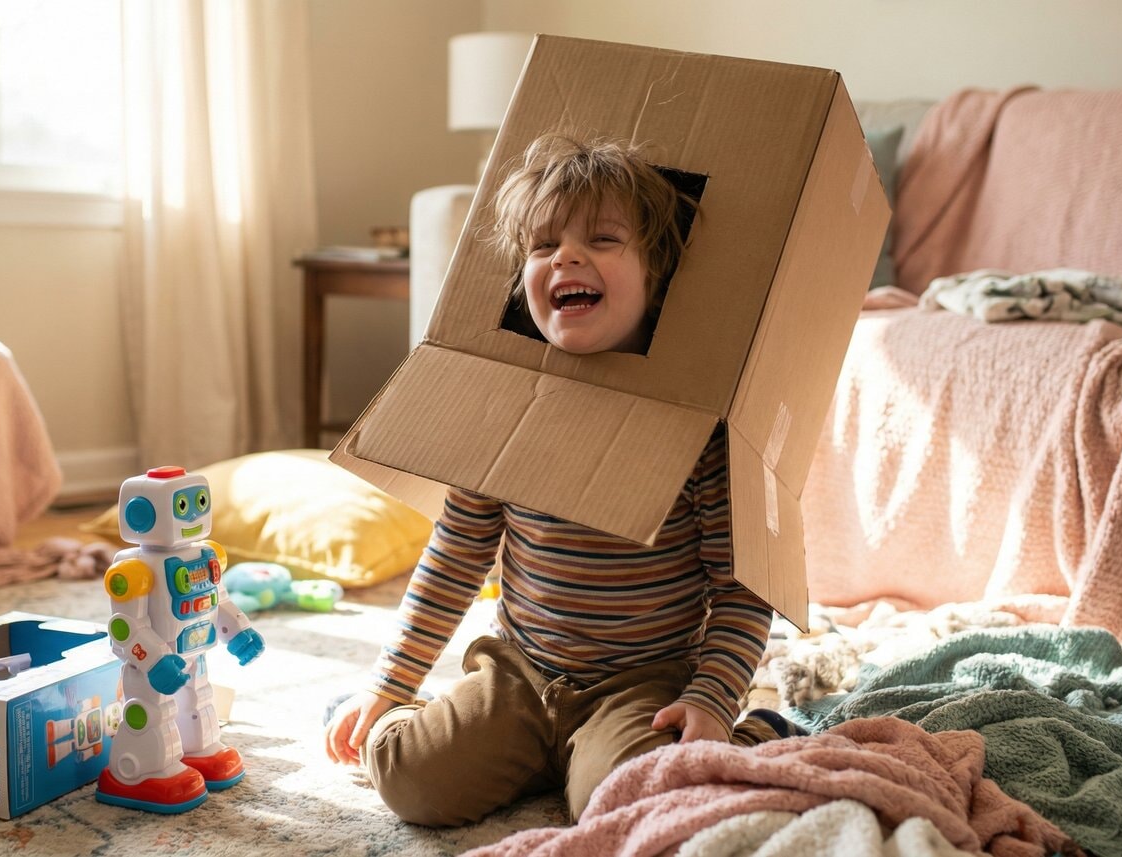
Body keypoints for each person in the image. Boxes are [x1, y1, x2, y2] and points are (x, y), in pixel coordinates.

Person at [322, 134, 784, 826]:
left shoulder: (699, 433)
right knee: (410, 782)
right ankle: (495, 740)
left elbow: (743, 585)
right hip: (520, 670)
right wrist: (389, 686)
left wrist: (714, 697)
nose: (567, 256)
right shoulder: (505, 410)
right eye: (543, 247)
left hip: (642, 681)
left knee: (631, 801)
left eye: (602, 238)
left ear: (656, 275)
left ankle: (762, 733)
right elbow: (454, 556)